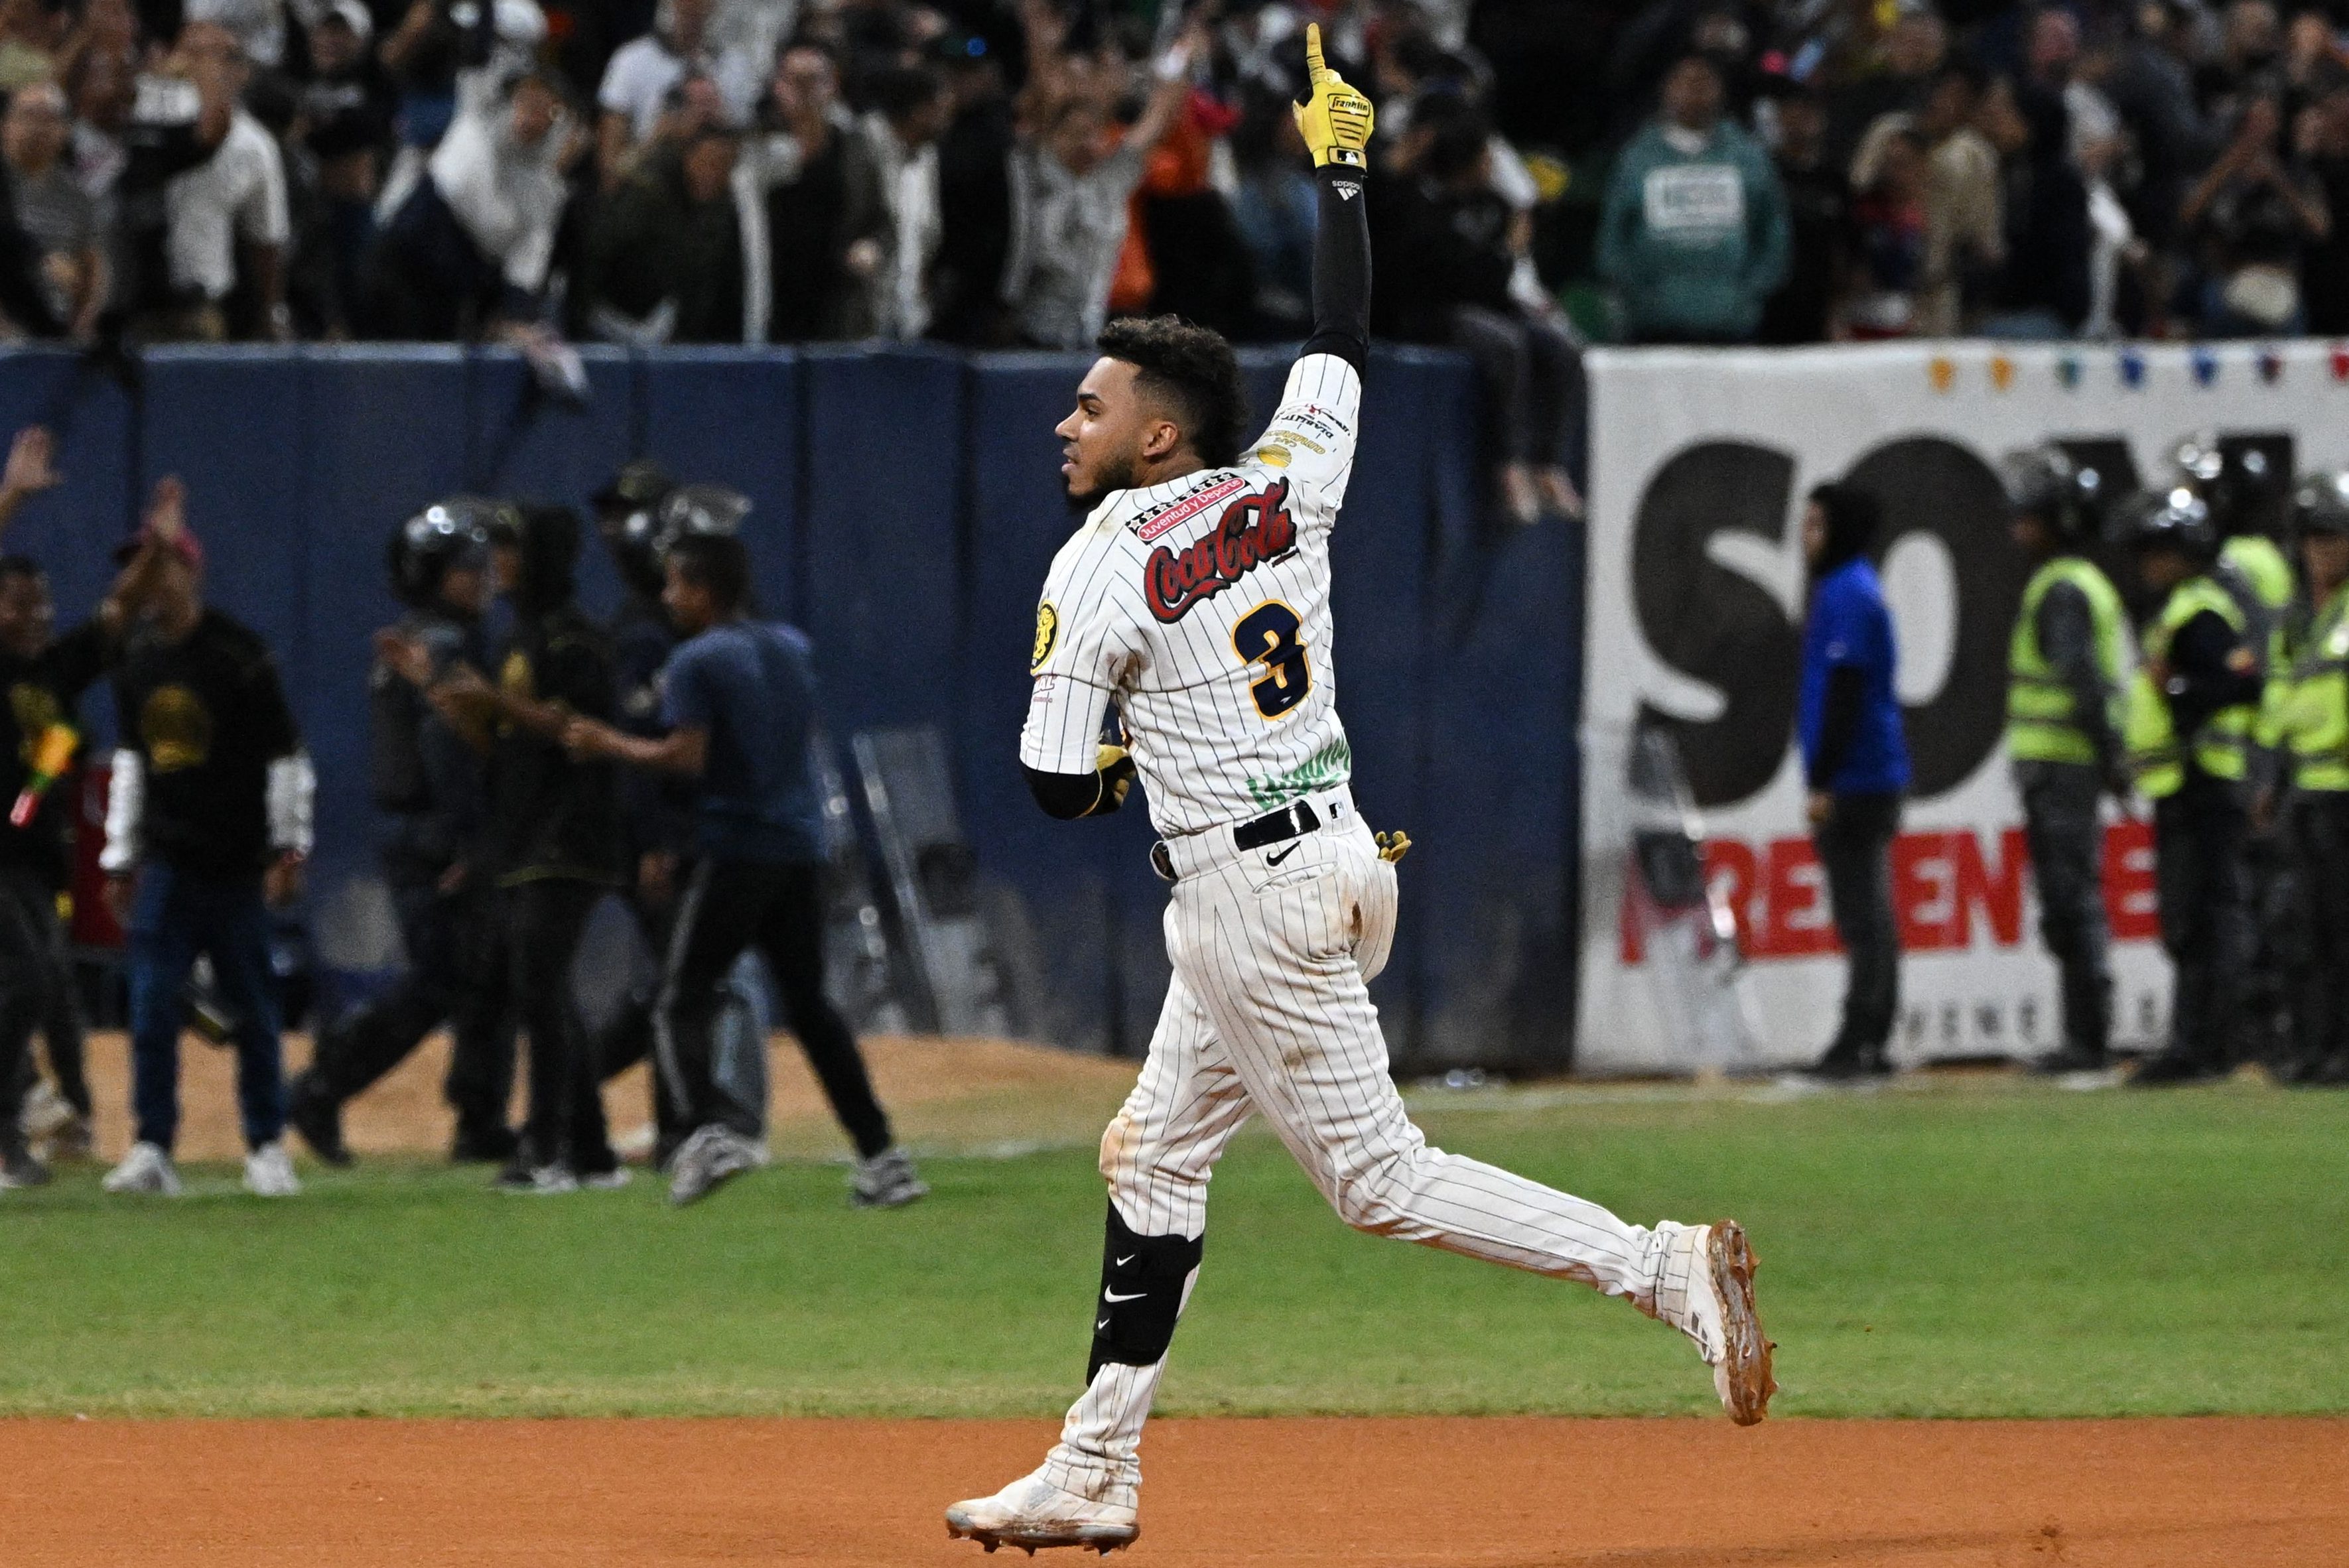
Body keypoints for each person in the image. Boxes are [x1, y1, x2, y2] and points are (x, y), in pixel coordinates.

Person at [941, 31, 1773, 1555]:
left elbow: (1054, 785)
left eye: (1091, 402)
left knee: (1378, 1179)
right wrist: (1340, 170)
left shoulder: (1100, 558)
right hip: (1330, 857)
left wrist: (1134, 740)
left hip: (1254, 897)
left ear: (1156, 428)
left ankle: (1658, 1264)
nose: (1068, 420)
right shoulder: (1282, 477)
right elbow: (1341, 330)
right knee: (1151, 1148)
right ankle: (1091, 1464)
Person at [563, 530, 924, 1209]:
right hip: (801, 849)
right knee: (811, 1008)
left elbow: (689, 758)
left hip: (737, 849)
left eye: (675, 584)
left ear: (700, 589)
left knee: (677, 998)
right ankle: (883, 1157)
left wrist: (610, 744)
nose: (668, 597)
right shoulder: (792, 648)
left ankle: (706, 1136)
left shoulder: (696, 660)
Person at [381, 504, 627, 1190]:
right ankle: (593, 1152)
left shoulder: (577, 640)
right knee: (546, 991)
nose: (500, 561)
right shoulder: (518, 637)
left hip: (572, 832)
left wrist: (495, 700)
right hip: (527, 832)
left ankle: (544, 1151)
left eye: (513, 546)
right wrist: (449, 701)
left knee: (537, 988)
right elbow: (508, 748)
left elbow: (581, 732)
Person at [99, 482, 314, 1199]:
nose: (148, 585)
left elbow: (285, 757)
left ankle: (265, 1146)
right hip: (168, 862)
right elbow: (132, 762)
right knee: (153, 1006)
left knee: (252, 1006)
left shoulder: (238, 656)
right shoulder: (137, 661)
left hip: (233, 865)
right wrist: (121, 855)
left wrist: (289, 848)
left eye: (159, 567)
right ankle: (153, 1146)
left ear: (190, 570)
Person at [288, 501, 515, 1168]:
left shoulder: (427, 637)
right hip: (439, 833)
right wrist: (470, 842)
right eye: (464, 568)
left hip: (423, 829)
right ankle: (326, 1086)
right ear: (430, 575)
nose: (482, 578)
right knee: (447, 981)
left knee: (481, 981)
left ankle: (479, 1120)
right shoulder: (442, 647)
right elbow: (446, 746)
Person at [0, 430, 165, 1187]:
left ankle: (59, 1123)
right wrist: (12, 500)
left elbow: (113, 618)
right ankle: (10, 1136)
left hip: (32, 853)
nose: (37, 614)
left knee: (52, 986)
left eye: (42, 602)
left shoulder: (54, 674)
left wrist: (156, 554)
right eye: (20, 602)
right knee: (29, 980)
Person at [2117, 488, 2264, 1085]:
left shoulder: (2199, 613)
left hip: (2202, 786)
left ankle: (2204, 1046)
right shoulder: (2189, 607)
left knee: (2201, 918)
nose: (2147, 562)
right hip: (2190, 787)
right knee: (2193, 919)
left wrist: (2174, 690)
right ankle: (2198, 1043)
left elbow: (2241, 685)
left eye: (2157, 549)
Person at [2003, 448, 2131, 1075]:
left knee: (2069, 901)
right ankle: (2084, 1034)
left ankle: (2088, 1039)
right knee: (2067, 900)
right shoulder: (2074, 584)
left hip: (2061, 769)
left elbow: (2079, 679)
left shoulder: (2061, 589)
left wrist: (2107, 756)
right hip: (2063, 767)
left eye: (2029, 516)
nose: (2017, 528)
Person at [1797, 482, 1911, 1080]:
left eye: (1815, 523)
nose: (1804, 537)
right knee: (1871, 913)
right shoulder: (1850, 589)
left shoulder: (1846, 593)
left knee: (1862, 915)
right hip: (1868, 773)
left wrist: (1822, 779)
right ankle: (1871, 1035)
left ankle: (1858, 1038)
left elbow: (1843, 691)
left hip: (1858, 777)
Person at [2255, 471, 2349, 1084]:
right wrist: (2268, 779)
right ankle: (2315, 1047)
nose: (2321, 549)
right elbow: (2277, 703)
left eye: (2333, 536)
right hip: (2306, 791)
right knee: (2305, 928)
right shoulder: (2294, 617)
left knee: (2343, 927)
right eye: (2312, 537)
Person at [1595, 52, 1790, 344]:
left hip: (1732, 324)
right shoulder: (1637, 158)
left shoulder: (1748, 157)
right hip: (1652, 326)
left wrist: (1746, 298)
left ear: (1720, 89)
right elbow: (1613, 239)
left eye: (1704, 82)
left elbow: (1773, 236)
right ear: (1666, 88)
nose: (1694, 91)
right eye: (1685, 81)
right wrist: (1640, 298)